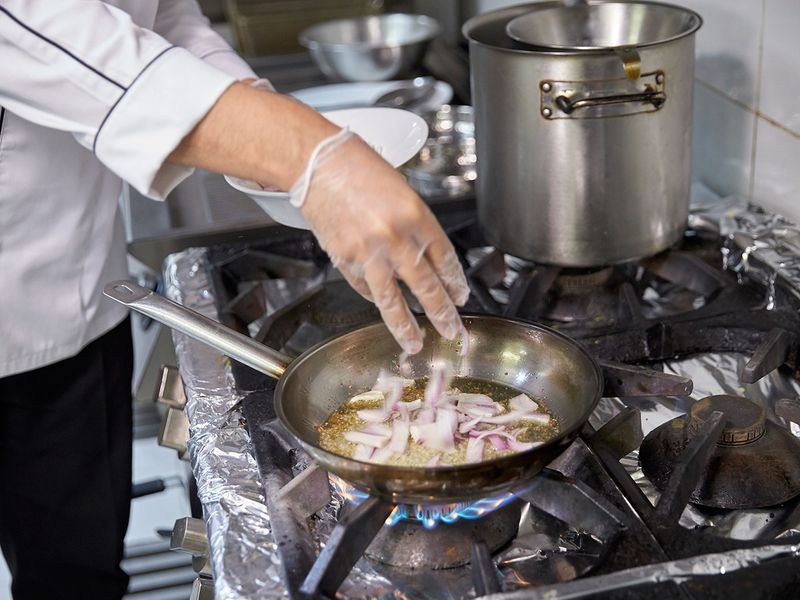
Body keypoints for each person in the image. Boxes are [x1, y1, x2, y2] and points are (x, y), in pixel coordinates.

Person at [0, 1, 469, 598]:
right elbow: (32, 25)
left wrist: (257, 115)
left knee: (77, 572)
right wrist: (303, 153)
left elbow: (158, 13)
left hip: (75, 271)